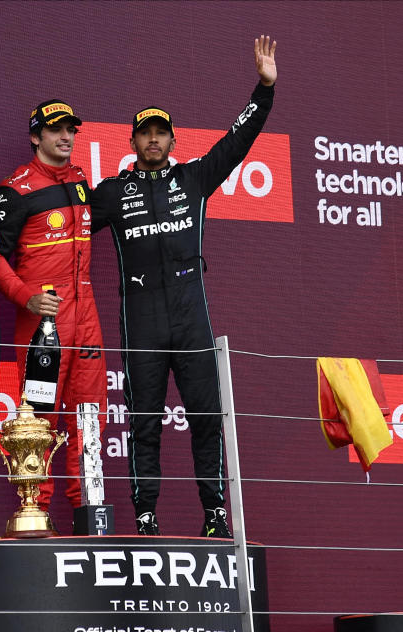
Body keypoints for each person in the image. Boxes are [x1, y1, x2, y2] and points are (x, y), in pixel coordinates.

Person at [91, 35, 278, 537]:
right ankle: (146, 516)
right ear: (131, 143)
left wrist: (264, 88)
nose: (153, 141)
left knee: (205, 417)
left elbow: (238, 142)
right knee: (145, 423)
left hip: (190, 314)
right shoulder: (111, 194)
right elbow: (62, 227)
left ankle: (215, 514)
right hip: (143, 318)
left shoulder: (195, 179)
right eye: (144, 134)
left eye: (161, 134)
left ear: (173, 141)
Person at [0, 100, 107, 516]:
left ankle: (88, 512)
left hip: (87, 319)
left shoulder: (79, 180)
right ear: (35, 136)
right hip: (44, 324)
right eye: (56, 129)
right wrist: (25, 296)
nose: (66, 137)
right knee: (38, 424)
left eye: (71, 130)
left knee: (89, 418)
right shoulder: (15, 189)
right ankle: (35, 513)